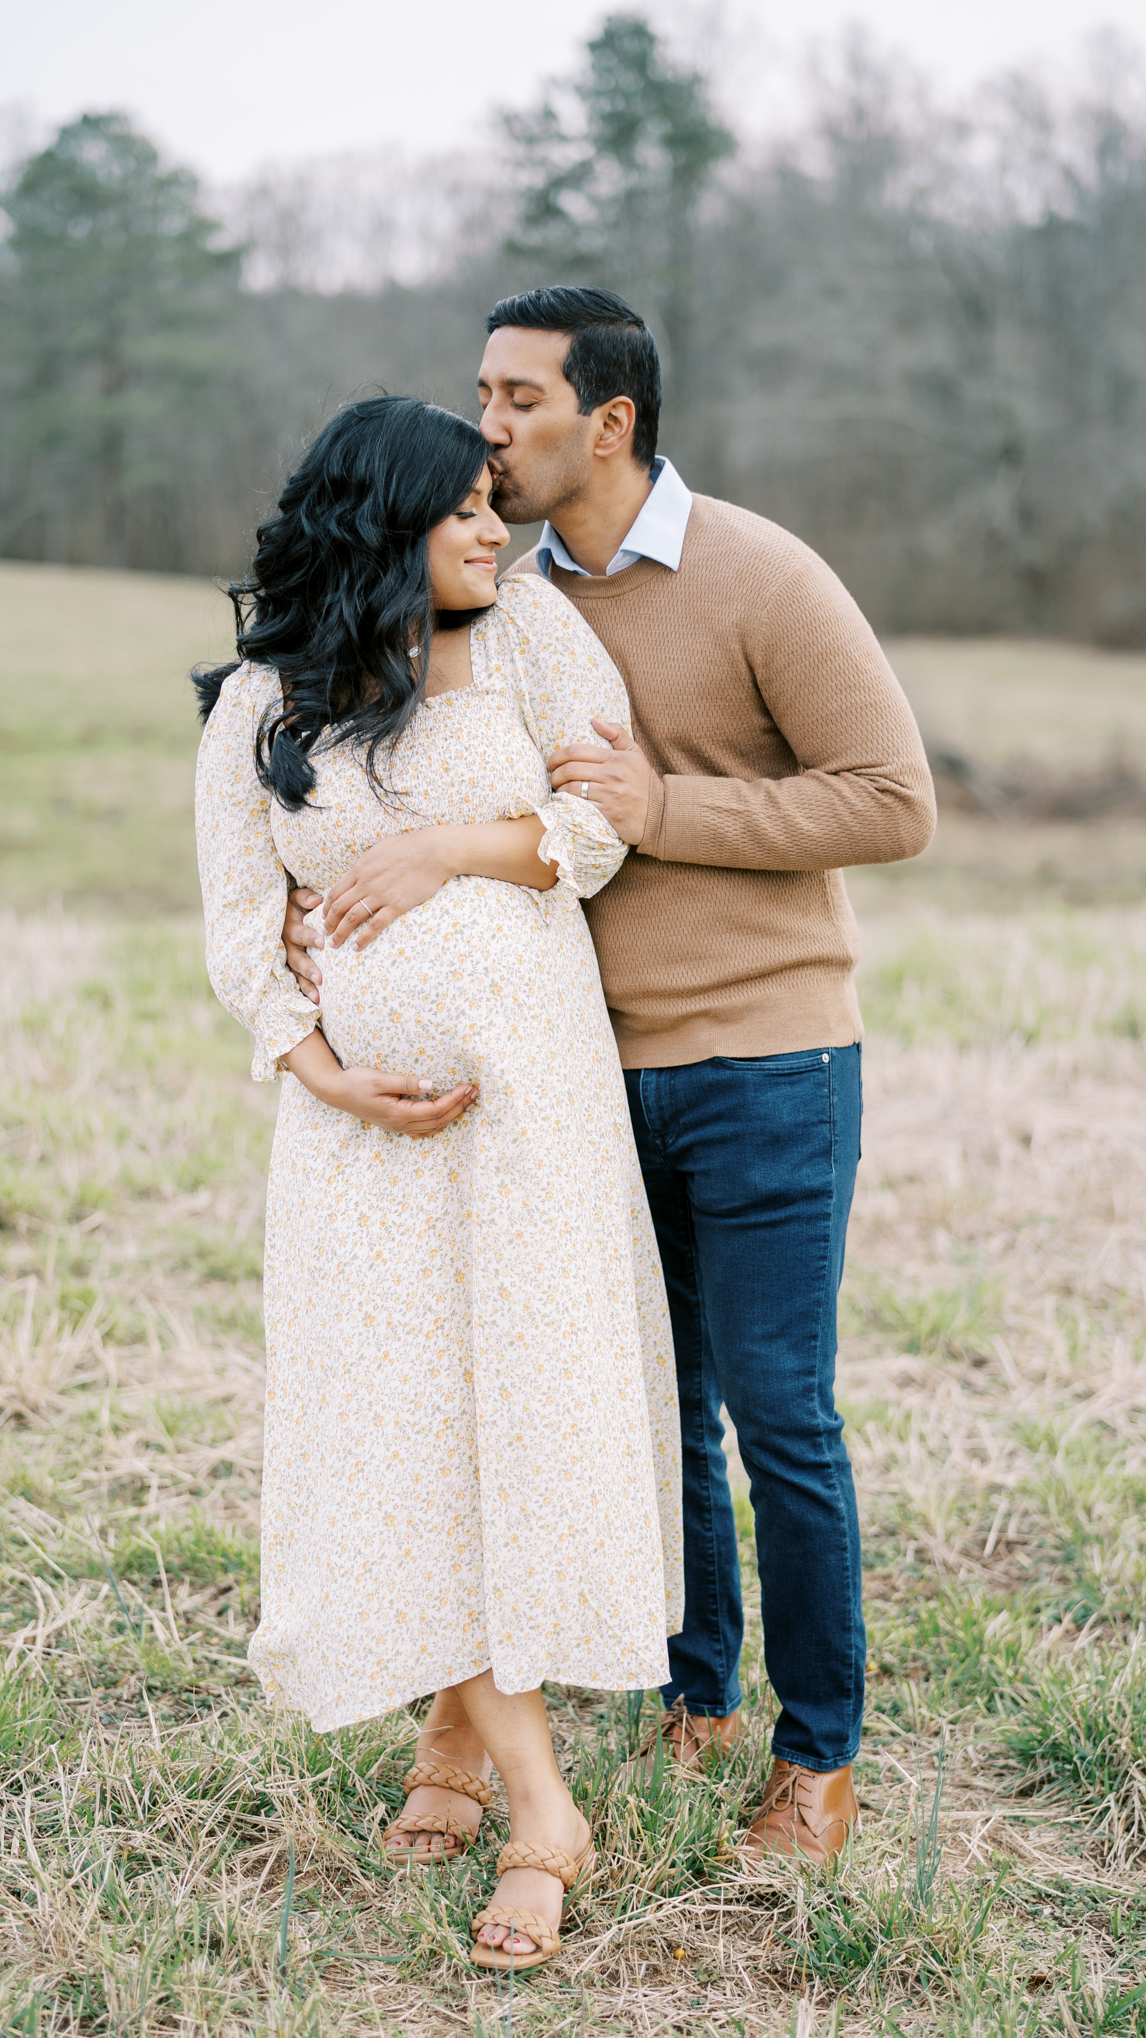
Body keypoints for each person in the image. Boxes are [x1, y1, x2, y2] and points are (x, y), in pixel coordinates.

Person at [285, 290, 936, 1867]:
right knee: (655, 1406)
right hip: (573, 1087)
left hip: (763, 1055)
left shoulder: (757, 574)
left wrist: (659, 807)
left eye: (515, 400)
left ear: (610, 422)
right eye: (480, 398)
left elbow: (891, 801)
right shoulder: (481, 595)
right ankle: (688, 1695)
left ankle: (818, 1761)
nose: (486, 428)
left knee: (779, 1414)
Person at [193, 394, 682, 1970]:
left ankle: (476, 1763)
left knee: (512, 1417)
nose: (495, 527)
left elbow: (598, 827)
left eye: (496, 502)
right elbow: (231, 916)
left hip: (531, 1114)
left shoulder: (534, 635)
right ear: (373, 522)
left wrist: (449, 851)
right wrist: (325, 1071)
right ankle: (515, 1789)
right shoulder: (264, 700)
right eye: (461, 507)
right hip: (357, 1144)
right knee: (403, 1427)